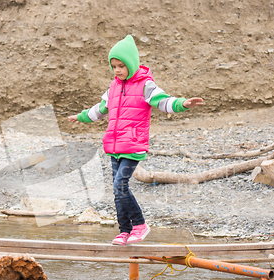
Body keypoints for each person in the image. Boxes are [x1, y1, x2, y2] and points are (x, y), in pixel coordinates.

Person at [69, 35, 203, 245]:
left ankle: (140, 225)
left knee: (119, 185)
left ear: (131, 64)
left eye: (121, 66)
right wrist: (81, 117)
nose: (117, 70)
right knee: (117, 189)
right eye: (114, 66)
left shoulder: (145, 85)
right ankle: (124, 230)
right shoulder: (113, 87)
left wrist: (183, 104)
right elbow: (100, 109)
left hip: (132, 145)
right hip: (114, 146)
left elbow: (164, 101)